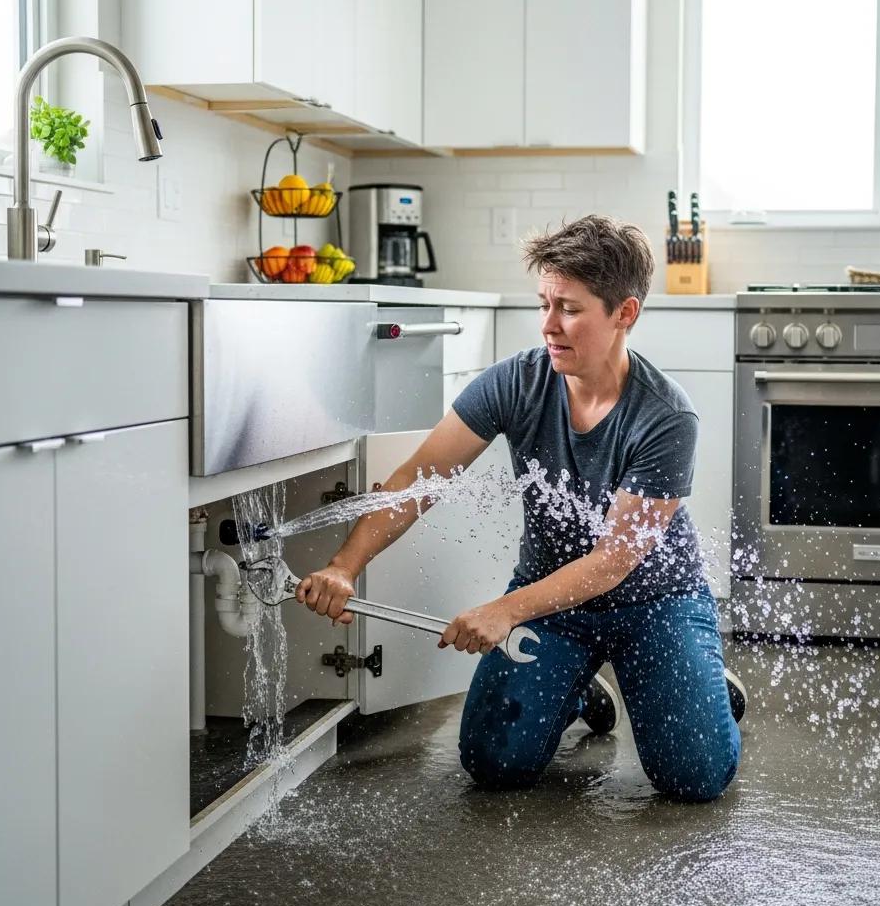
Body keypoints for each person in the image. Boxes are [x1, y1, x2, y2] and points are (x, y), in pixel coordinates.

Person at [298, 214, 743, 801]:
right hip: (552, 601)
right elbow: (416, 479)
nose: (549, 327)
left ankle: (700, 683)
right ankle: (577, 685)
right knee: (494, 762)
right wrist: (344, 566)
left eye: (570, 309)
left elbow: (612, 563)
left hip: (654, 602)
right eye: (544, 305)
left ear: (624, 314)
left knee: (694, 778)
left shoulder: (666, 415)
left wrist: (504, 610)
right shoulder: (517, 382)